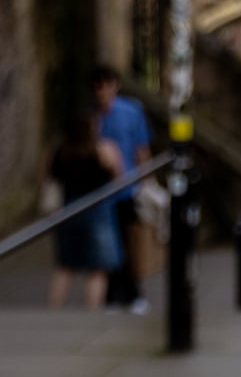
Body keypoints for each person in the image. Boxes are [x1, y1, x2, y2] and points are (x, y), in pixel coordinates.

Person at [45, 109, 125, 311]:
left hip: (69, 209)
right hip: (97, 210)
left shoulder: (60, 150)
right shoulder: (103, 149)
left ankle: (53, 311)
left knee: (66, 266)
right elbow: (119, 177)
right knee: (97, 269)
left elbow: (48, 178)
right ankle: (92, 313)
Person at [90, 66, 151, 312]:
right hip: (100, 194)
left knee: (129, 245)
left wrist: (147, 181)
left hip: (127, 189)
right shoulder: (91, 116)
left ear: (115, 85)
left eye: (106, 85)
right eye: (97, 86)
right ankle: (112, 296)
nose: (102, 91)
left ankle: (133, 294)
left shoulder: (131, 111)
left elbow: (141, 149)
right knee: (107, 247)